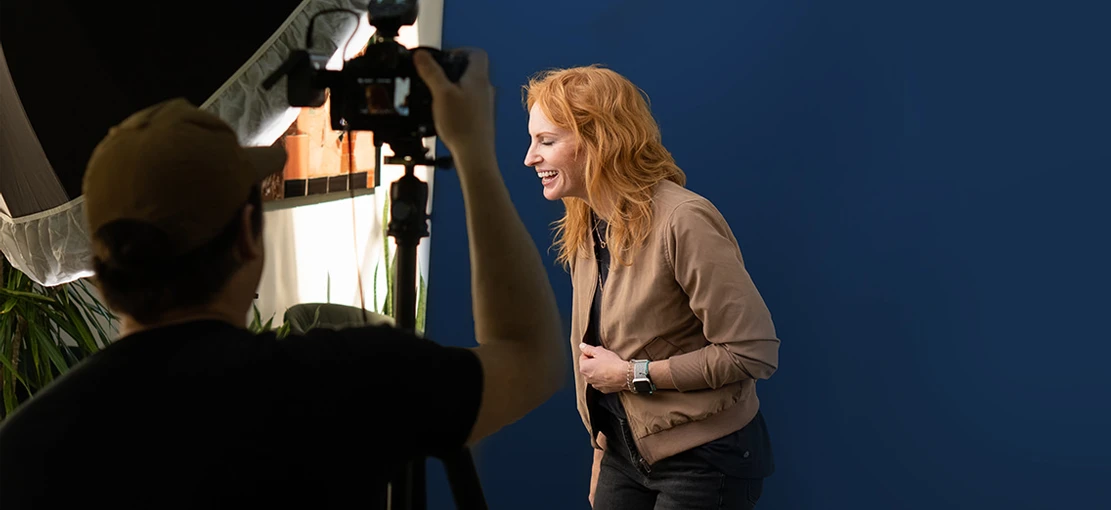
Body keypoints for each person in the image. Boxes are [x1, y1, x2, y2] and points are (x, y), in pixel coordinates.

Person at [0, 48, 566, 509]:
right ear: (247, 238)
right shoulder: (343, 383)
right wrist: (473, 152)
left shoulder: (25, 447)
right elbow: (529, 356)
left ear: (100, 266)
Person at [523, 65, 781, 509]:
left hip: (704, 459)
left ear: (599, 140)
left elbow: (752, 353)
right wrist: (603, 452)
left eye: (547, 141)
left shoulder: (683, 219)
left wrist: (631, 375)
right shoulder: (587, 220)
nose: (530, 158)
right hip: (625, 453)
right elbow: (601, 348)